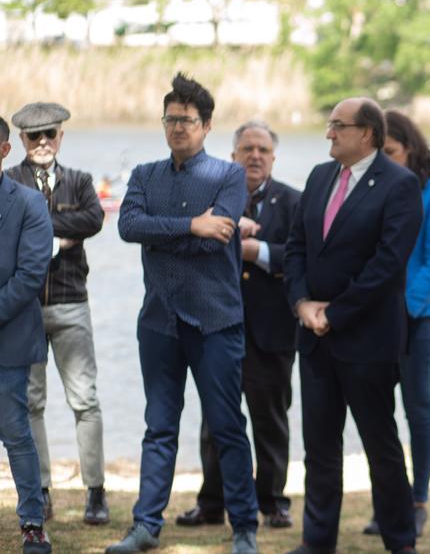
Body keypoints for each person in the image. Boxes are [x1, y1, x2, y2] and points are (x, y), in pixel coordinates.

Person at [111, 73, 259, 554]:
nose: (178, 127)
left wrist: (173, 234)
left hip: (215, 321)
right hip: (159, 321)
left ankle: (244, 529)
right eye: (171, 119)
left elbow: (218, 237)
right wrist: (191, 225)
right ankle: (145, 526)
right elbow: (129, 226)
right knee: (159, 426)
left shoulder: (228, 175)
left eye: (187, 120)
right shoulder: (143, 176)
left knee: (226, 426)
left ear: (207, 124)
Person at [283, 97, 423, 554]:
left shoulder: (399, 185)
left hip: (367, 340)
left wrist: (333, 314)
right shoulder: (320, 176)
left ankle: (400, 540)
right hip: (315, 338)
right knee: (320, 449)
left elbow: (387, 265)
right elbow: (297, 245)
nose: (329, 133)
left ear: (367, 133)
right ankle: (316, 541)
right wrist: (302, 303)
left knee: (380, 447)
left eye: (337, 126)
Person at [176, 120, 301, 530]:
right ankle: (213, 502)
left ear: (273, 157)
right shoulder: (210, 201)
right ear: (232, 156)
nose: (254, 156)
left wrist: (258, 251)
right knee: (216, 421)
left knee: (270, 421)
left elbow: (304, 259)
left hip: (272, 333)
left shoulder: (295, 202)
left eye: (263, 149)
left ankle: (273, 502)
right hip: (218, 330)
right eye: (246, 148)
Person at [5, 101, 108, 525]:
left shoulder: (81, 181)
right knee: (30, 402)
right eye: (34, 136)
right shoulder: (9, 182)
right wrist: (56, 235)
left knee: (85, 398)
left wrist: (44, 233)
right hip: (23, 310)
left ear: (61, 136)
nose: (43, 142)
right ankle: (41, 489)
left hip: (70, 299)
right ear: (20, 143)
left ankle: (96, 491)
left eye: (51, 134)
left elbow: (95, 218)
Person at [361, 109, 430, 538]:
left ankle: (417, 501)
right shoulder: (372, 191)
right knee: (378, 416)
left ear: (410, 149)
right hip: (372, 322)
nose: (385, 160)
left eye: (392, 152)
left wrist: (399, 311)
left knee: (418, 412)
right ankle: (388, 503)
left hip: (415, 322)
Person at [0, 114, 54, 553]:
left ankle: (33, 522)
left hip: (9, 338)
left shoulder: (29, 204)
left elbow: (30, 275)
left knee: (15, 430)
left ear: (4, 151)